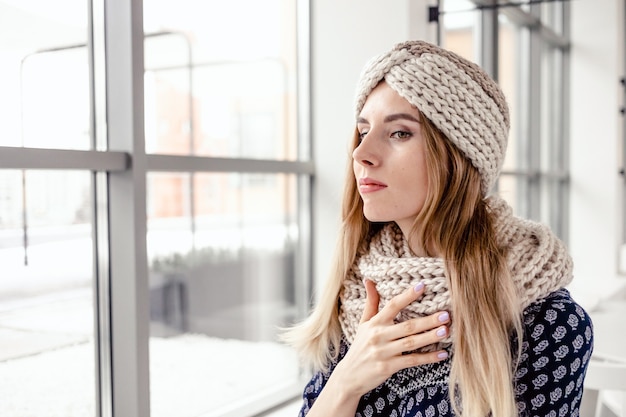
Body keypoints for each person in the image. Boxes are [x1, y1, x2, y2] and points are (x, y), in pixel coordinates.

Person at [283, 40, 593, 417]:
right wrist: (346, 381)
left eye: (399, 133)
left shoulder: (546, 323)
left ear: (457, 157)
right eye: (363, 131)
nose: (361, 153)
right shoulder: (357, 295)